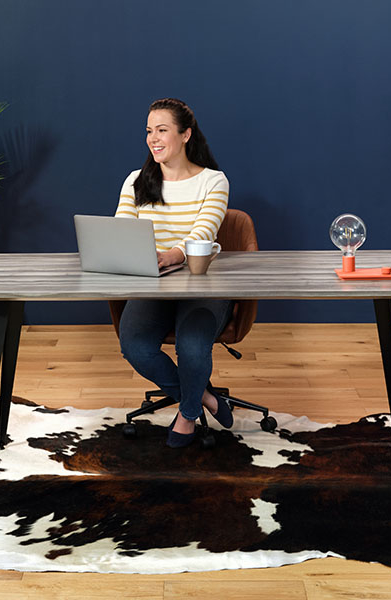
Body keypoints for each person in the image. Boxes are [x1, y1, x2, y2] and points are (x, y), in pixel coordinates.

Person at [115, 98, 234, 448]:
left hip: (201, 285)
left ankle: (187, 413)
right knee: (135, 345)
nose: (153, 138)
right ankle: (205, 399)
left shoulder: (214, 181)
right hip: (153, 285)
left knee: (193, 345)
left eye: (162, 130)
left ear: (185, 135)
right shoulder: (137, 181)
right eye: (149, 131)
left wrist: (170, 255)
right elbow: (123, 231)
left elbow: (203, 233)